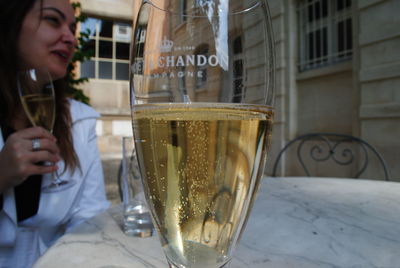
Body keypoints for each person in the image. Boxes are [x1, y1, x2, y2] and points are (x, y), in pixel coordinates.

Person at [0, 0, 110, 267]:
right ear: (10, 25)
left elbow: (90, 220)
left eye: (72, 28)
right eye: (52, 20)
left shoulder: (80, 121)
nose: (70, 38)